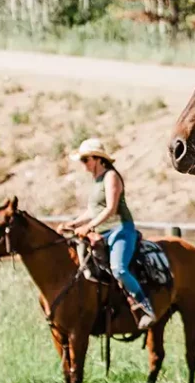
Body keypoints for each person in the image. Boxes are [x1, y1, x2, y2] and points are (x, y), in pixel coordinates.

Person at [62, 138, 155, 329]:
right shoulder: (97, 180)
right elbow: (93, 210)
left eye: (85, 160)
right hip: (103, 231)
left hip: (121, 229)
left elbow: (111, 209)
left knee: (118, 268)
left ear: (98, 159)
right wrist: (74, 223)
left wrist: (88, 227)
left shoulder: (111, 177)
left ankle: (145, 307)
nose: (84, 165)